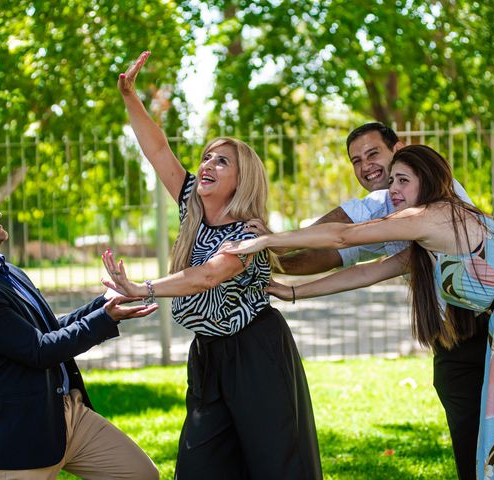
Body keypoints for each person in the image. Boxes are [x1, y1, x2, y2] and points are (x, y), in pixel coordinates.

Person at [221, 144, 494, 479]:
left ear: (427, 180)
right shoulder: (427, 239)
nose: (393, 189)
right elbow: (366, 272)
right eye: (392, 181)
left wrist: (269, 240)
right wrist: (293, 292)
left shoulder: (432, 215)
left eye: (403, 180)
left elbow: (343, 236)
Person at [107, 50, 322, 480]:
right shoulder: (191, 206)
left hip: (256, 351)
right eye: (207, 156)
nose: (207, 164)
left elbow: (208, 275)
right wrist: (130, 97)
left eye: (221, 161)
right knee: (200, 464)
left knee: (275, 465)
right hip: (208, 352)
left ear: (241, 181)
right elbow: (158, 149)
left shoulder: (249, 234)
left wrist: (142, 288)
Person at [246, 122, 486, 480]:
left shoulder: (428, 208)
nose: (366, 166)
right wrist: (282, 279)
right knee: (474, 429)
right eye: (356, 160)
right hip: (455, 334)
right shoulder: (398, 213)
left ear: (399, 151)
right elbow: (358, 266)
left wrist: (271, 242)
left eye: (373, 154)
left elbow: (341, 234)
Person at [0, 178, 159, 480]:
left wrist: (103, 305)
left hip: (67, 414)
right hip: (22, 434)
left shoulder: (7, 271)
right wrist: (105, 319)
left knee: (140, 474)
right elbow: (39, 350)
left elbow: (47, 331)